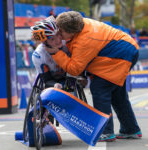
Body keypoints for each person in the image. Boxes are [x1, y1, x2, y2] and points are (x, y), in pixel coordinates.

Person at [47, 11, 142, 142]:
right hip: (126, 49)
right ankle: (130, 129)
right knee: (117, 94)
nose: (59, 34)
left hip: (121, 55)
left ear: (71, 31)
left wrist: (55, 53)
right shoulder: (79, 24)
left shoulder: (86, 40)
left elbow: (74, 69)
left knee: (100, 89)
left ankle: (105, 131)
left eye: (61, 32)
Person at [31, 16, 68, 125]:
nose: (58, 40)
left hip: (68, 76)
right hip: (51, 79)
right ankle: (42, 116)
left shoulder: (68, 44)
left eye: (58, 34)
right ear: (45, 43)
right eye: (52, 39)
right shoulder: (39, 55)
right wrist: (54, 85)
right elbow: (46, 79)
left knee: (71, 86)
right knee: (45, 90)